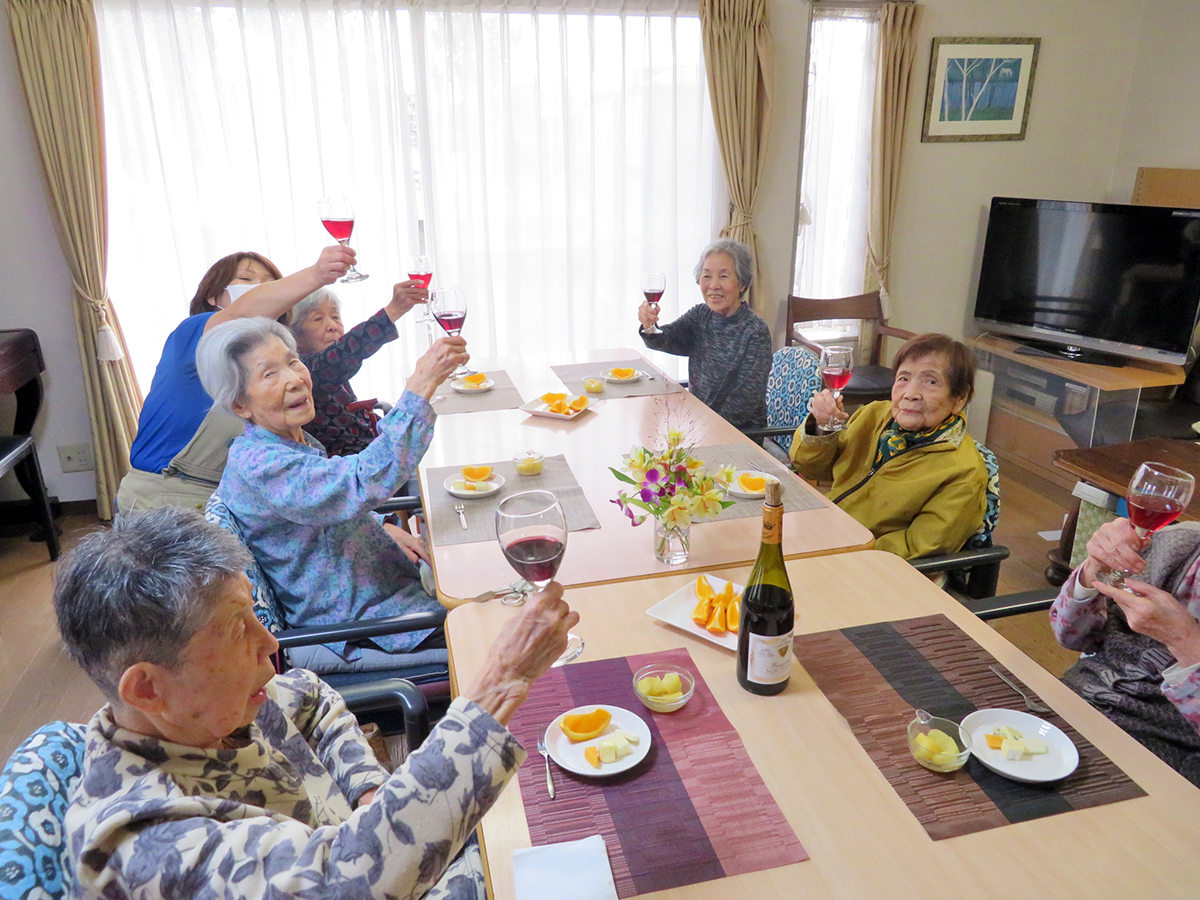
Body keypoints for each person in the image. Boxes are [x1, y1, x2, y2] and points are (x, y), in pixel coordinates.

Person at [56, 506, 579, 899]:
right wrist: (499, 683)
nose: (270, 644)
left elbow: (310, 696)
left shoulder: (213, 707)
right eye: (238, 629)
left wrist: (369, 790)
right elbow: (342, 885)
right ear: (146, 689)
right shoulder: (142, 847)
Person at [196, 316, 468, 671]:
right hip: (362, 619)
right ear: (240, 406)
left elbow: (324, 502)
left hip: (384, 587)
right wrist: (419, 387)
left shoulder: (288, 440)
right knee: (497, 619)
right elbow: (359, 480)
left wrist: (384, 524)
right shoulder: (260, 463)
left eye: (293, 362)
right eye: (269, 374)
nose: (294, 379)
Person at [117, 245, 354, 513]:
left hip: (228, 496)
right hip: (167, 495)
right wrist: (317, 274)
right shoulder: (193, 331)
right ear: (214, 296)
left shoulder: (267, 352)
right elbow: (239, 315)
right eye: (246, 279)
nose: (260, 288)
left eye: (269, 283)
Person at [790, 332, 987, 560]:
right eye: (903, 378)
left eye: (931, 381)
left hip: (871, 565)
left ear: (959, 398)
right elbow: (813, 468)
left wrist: (843, 550)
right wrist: (822, 426)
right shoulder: (874, 415)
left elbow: (920, 547)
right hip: (829, 533)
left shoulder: (964, 471)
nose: (910, 394)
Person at [1050, 517, 1200, 784]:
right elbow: (1070, 635)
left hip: (1164, 753)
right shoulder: (1174, 543)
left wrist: (1182, 639)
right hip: (1076, 701)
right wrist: (1095, 569)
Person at [637, 239, 772, 430]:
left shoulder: (755, 332)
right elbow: (665, 339)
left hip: (738, 437)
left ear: (742, 284)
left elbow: (743, 406)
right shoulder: (701, 315)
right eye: (707, 276)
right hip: (699, 426)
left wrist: (692, 424)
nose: (713, 285)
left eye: (724, 276)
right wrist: (649, 324)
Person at [290, 280, 427, 457]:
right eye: (318, 319)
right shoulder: (304, 369)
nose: (332, 326)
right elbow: (342, 354)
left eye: (335, 316)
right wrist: (393, 311)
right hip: (349, 465)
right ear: (296, 334)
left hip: (373, 448)